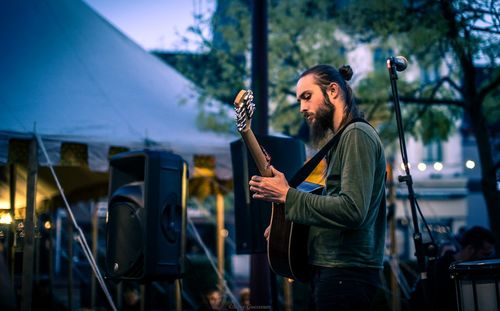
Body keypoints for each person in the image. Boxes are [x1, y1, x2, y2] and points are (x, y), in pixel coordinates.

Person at [249, 64, 387, 310]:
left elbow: (353, 210)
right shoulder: (341, 138)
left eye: (307, 97)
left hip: (346, 274)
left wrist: (287, 195)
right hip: (334, 271)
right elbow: (331, 205)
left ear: (333, 91)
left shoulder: (356, 135)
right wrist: (287, 226)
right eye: (300, 100)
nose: (302, 108)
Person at [410, 226, 496, 311]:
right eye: (485, 254)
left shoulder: (470, 268)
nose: (487, 259)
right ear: (470, 249)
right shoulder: (440, 268)